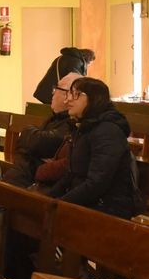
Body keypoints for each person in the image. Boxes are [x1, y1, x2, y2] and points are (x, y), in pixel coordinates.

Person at [48, 77, 142, 218]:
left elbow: (97, 183)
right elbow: (71, 173)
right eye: (69, 94)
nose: (67, 100)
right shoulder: (84, 127)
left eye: (76, 94)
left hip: (107, 207)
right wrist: (49, 199)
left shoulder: (108, 131)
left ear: (94, 99)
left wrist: (60, 204)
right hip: (89, 201)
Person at [7, 71, 79, 189]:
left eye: (56, 89)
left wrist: (28, 139)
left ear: (67, 95)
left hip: (34, 180)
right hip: (25, 174)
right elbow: (30, 142)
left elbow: (39, 142)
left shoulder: (72, 122)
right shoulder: (55, 118)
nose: (52, 93)